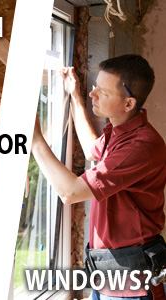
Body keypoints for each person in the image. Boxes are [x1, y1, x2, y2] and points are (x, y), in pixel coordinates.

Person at [31, 54, 166, 300]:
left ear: (128, 104)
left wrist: (35, 139)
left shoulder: (139, 147)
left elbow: (69, 192)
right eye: (95, 87)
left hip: (130, 285)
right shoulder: (120, 132)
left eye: (103, 92)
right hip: (107, 276)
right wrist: (74, 96)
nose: (93, 94)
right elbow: (92, 148)